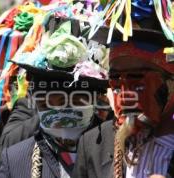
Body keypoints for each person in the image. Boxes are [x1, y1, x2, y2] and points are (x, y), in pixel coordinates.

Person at [0, 12, 110, 177]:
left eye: (75, 101)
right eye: (48, 104)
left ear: (94, 100)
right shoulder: (15, 159)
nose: (62, 110)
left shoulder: (120, 149)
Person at [74, 1, 174, 178]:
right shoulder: (94, 144)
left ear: (170, 82)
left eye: (136, 78)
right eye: (115, 79)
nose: (125, 92)